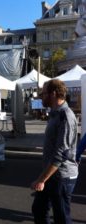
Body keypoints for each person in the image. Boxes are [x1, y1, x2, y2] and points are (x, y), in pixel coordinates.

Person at [30, 79, 78, 224]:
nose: (40, 96)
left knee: (61, 218)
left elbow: (61, 154)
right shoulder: (55, 114)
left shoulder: (65, 116)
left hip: (62, 176)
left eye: (43, 93)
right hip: (52, 173)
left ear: (54, 94)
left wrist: (41, 180)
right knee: (39, 209)